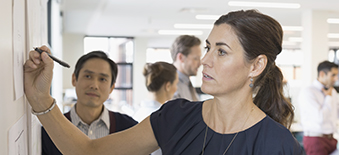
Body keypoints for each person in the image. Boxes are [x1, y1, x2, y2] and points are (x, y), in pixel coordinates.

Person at [24, 10, 305, 154]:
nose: (206, 61)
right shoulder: (176, 117)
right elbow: (88, 151)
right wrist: (39, 98)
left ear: (256, 65)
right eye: (208, 48)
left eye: (221, 52)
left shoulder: (276, 144)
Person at [41, 51, 138, 155]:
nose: (94, 85)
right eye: (88, 76)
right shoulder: (50, 130)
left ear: (112, 88)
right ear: (74, 79)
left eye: (102, 79)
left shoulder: (129, 128)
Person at [133, 61, 178, 155]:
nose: (176, 88)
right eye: (176, 84)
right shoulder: (165, 119)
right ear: (168, 86)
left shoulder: (137, 113)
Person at [298, 60, 339, 155]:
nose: (336, 79)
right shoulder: (308, 92)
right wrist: (328, 98)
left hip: (331, 139)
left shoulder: (333, 92)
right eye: (333, 75)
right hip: (315, 140)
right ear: (322, 74)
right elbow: (319, 118)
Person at [171, 35, 202, 101]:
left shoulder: (187, 83)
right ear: (181, 58)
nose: (200, 64)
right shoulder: (171, 87)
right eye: (196, 58)